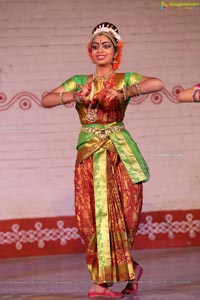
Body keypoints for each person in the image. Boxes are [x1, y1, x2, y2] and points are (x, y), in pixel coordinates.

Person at [41, 22, 164, 298]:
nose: (100, 50)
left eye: (106, 45)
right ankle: (111, 278)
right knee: (92, 218)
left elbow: (157, 83)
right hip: (89, 156)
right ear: (90, 51)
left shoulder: (124, 79)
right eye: (95, 46)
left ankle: (113, 277)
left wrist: (124, 93)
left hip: (120, 154)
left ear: (115, 50)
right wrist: (73, 96)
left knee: (126, 214)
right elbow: (45, 99)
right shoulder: (79, 81)